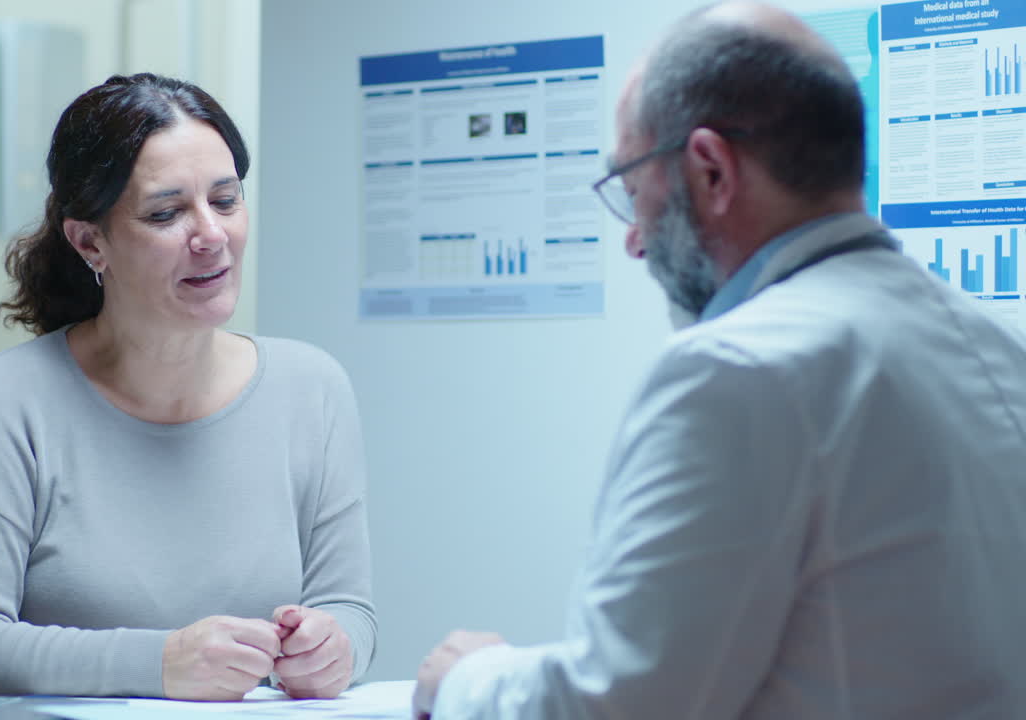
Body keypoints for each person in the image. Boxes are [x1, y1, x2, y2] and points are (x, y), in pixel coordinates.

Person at [413, 2, 1026, 718]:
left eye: (634, 190)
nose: (634, 241)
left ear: (710, 171)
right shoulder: (997, 346)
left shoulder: (736, 372)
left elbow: (619, 705)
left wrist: (467, 677)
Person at [0, 73, 375, 701]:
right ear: (89, 241)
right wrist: (159, 662)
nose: (211, 234)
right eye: (166, 212)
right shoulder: (5, 401)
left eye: (226, 200)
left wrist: (334, 647)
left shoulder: (312, 388)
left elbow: (348, 608)